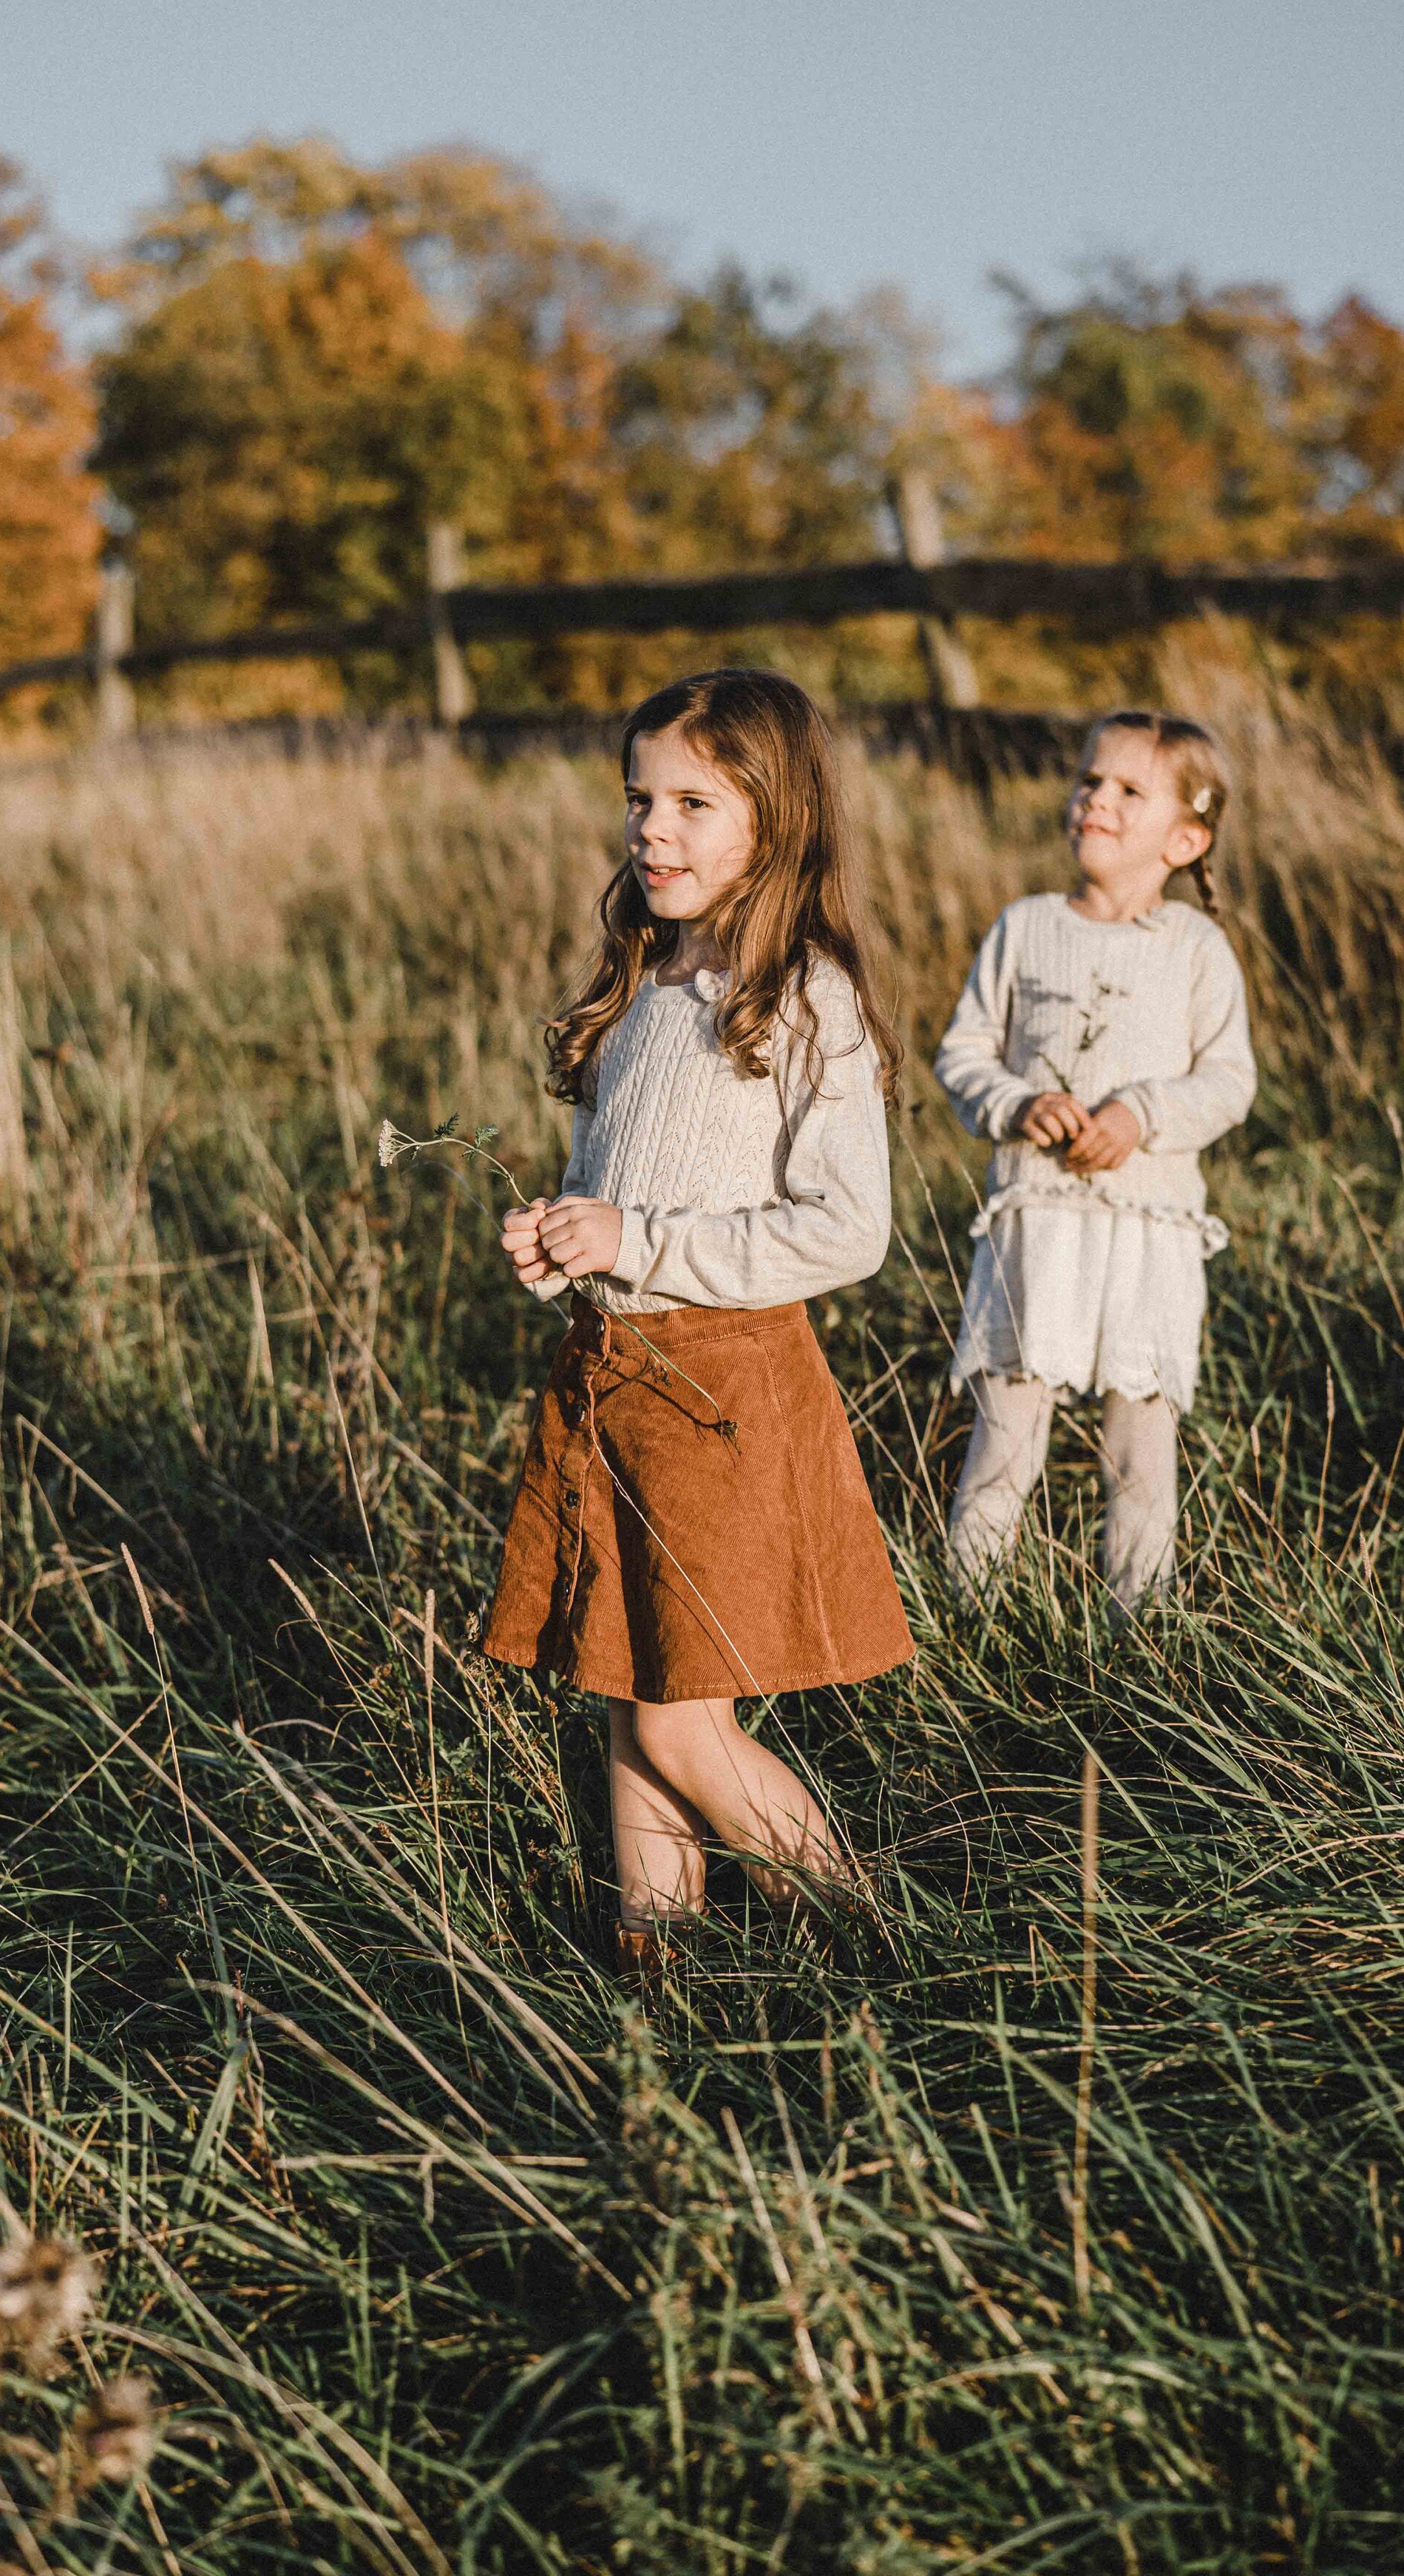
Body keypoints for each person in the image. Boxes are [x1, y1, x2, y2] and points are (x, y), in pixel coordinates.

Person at [484, 668, 913, 1967]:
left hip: (722, 1393)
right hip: (613, 1372)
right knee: (628, 1698)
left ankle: (863, 1940)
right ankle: (654, 1969)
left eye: (689, 802)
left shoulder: (801, 998)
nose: (649, 830)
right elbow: (624, 1177)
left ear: (774, 822)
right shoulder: (648, 982)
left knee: (682, 1721)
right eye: (637, 799)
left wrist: (644, 1243)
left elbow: (848, 1229)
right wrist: (571, 1235)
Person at [934, 708, 1255, 1610]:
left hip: (1149, 1229)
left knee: (1140, 1442)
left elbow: (1228, 1082)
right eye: (1088, 780)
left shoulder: (1196, 949)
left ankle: (1138, 1619)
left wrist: (1141, 1113)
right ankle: (969, 1611)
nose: (1095, 800)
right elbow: (963, 1056)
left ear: (1185, 838)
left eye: (1126, 789)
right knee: (1007, 1427)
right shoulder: (1026, 927)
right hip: (1035, 1219)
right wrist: (1017, 1103)